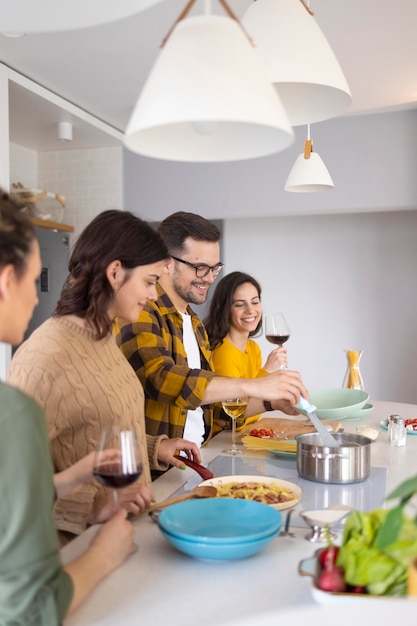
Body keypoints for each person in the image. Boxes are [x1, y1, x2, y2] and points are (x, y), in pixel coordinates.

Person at [8, 208, 200, 544]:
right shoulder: (44, 358)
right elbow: (10, 485)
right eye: (150, 281)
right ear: (115, 272)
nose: (154, 295)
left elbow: (94, 421)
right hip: (78, 551)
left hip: (122, 534)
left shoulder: (103, 335)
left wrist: (154, 447)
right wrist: (88, 508)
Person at [0, 191, 136, 623]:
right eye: (33, 278)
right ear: (6, 282)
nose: (38, 299)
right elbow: (31, 609)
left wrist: (60, 482)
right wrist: (103, 554)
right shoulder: (14, 409)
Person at [115, 211, 308, 448]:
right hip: (160, 469)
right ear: (166, 262)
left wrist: (271, 403)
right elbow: (161, 379)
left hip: (199, 456)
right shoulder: (141, 312)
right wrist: (253, 385)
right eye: (200, 268)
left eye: (214, 268)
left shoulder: (195, 325)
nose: (209, 278)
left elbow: (217, 411)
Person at [205, 271, 288, 429]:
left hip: (243, 435)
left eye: (255, 302)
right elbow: (232, 417)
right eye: (239, 304)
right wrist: (267, 371)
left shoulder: (252, 348)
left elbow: (253, 408)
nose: (250, 310)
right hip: (222, 441)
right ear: (225, 309)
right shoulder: (224, 352)